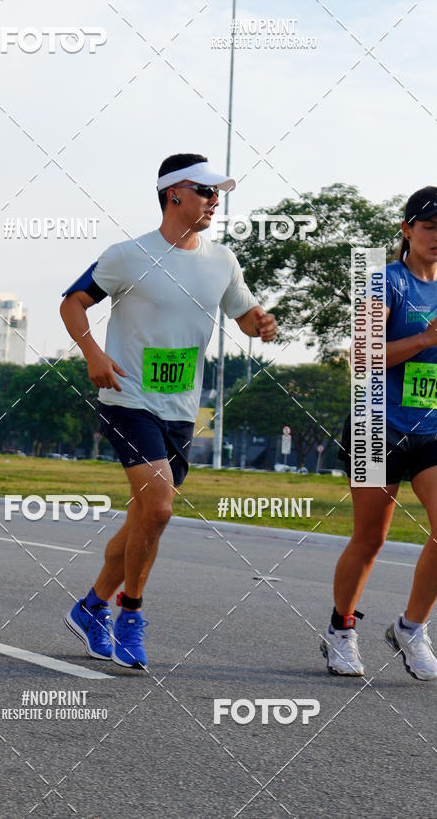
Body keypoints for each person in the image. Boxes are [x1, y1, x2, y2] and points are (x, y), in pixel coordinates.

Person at [60, 153, 277, 669]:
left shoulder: (222, 260)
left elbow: (244, 315)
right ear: (173, 193)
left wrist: (261, 324)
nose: (214, 201)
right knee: (157, 507)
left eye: (216, 193)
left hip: (182, 408)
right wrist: (93, 353)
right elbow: (72, 302)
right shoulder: (127, 255)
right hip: (127, 398)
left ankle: (91, 607)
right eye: (204, 191)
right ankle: (129, 614)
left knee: (143, 518)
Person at [322, 186, 437, 681]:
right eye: (429, 226)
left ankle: (411, 627)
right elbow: (362, 357)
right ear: (406, 231)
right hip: (374, 424)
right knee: (371, 537)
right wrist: (428, 337)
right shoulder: (383, 283)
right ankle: (341, 631)